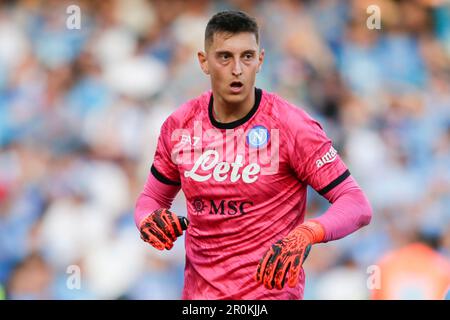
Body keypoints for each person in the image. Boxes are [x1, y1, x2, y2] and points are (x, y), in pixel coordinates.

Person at [135, 10, 372, 300]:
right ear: (203, 62)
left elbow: (356, 203)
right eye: (224, 57)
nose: (237, 69)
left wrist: (308, 232)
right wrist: (148, 219)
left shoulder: (291, 125)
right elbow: (152, 199)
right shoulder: (180, 125)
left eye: (246, 57)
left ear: (259, 60)